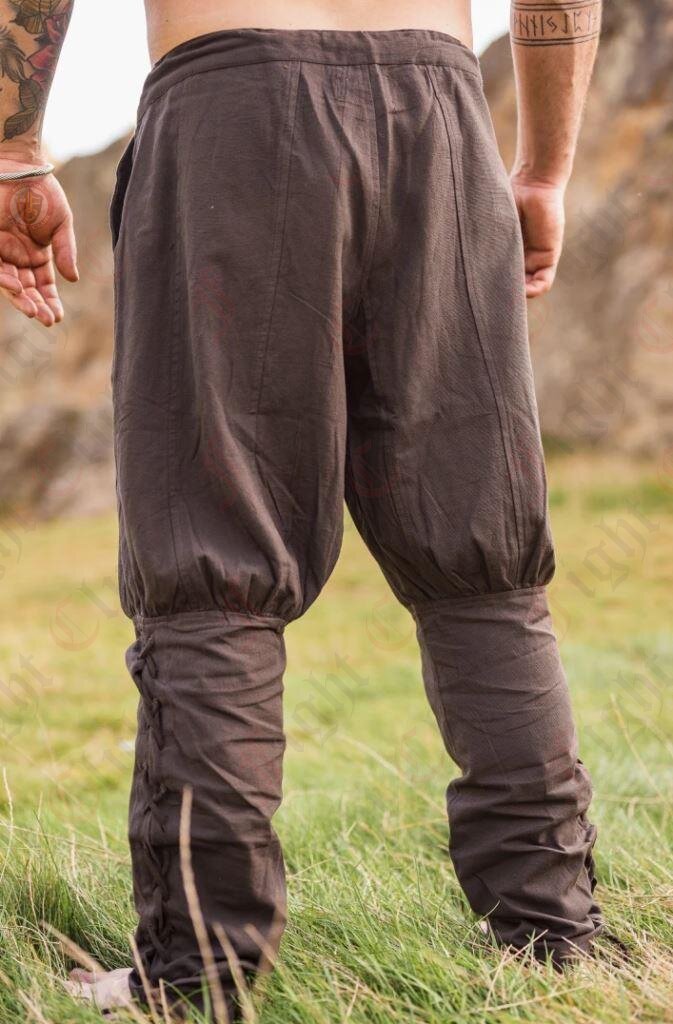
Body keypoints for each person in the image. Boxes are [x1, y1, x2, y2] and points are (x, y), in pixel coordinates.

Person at [0, 0, 604, 1018]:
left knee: (213, 558)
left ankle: (201, 974)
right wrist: (542, 169)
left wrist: (15, 145)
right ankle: (554, 936)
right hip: (437, 111)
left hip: (231, 102)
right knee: (483, 559)